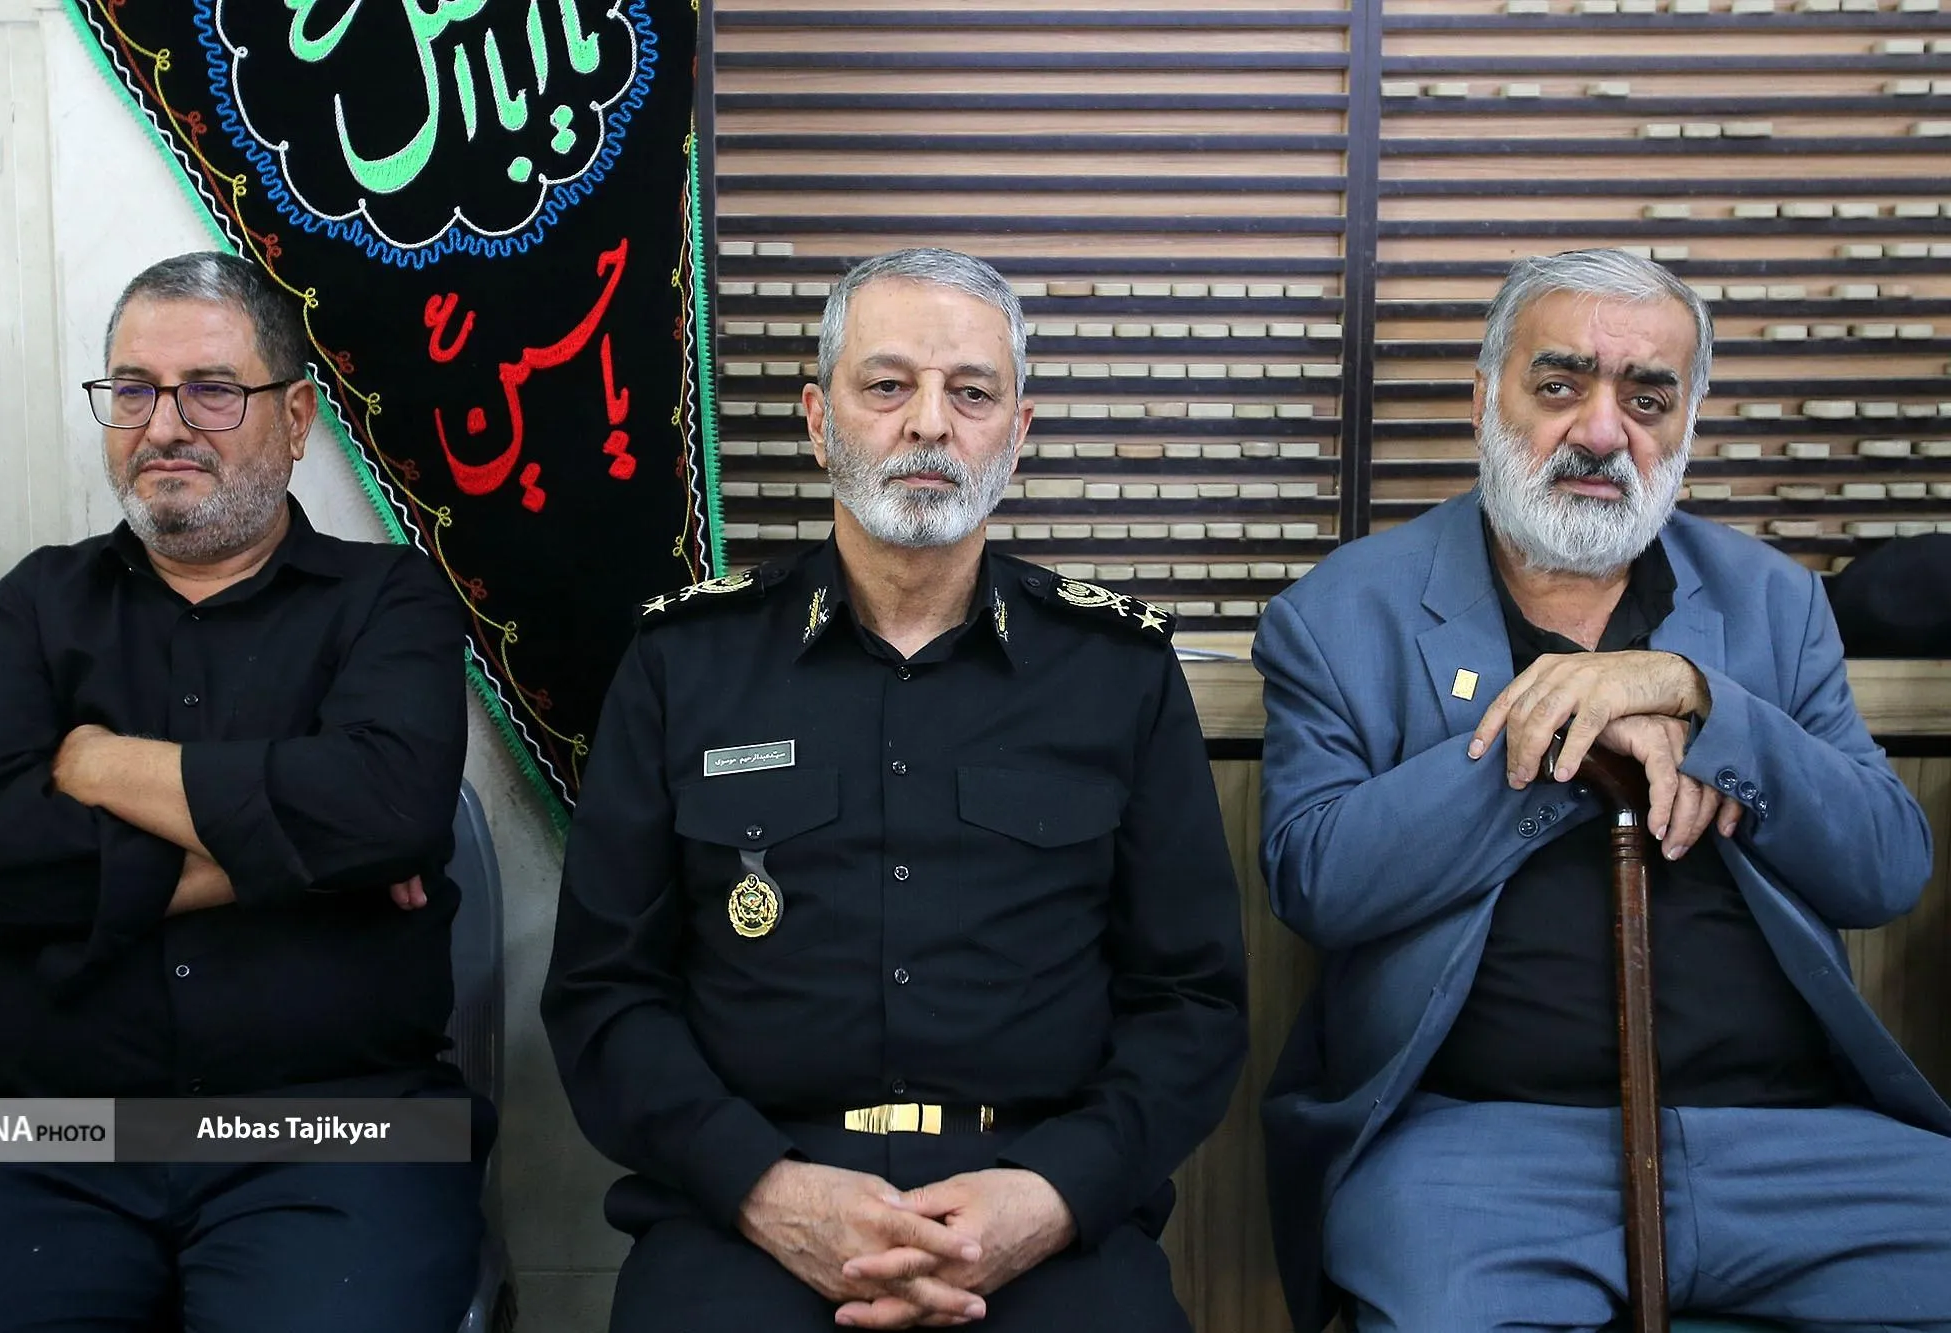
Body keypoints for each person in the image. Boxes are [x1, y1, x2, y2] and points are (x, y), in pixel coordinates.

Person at [543, 247, 1247, 1333]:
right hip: (751, 1211)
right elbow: (605, 993)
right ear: (818, 421)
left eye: (971, 392)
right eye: (886, 385)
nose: (929, 423)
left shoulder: (1116, 673)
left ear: (1017, 431)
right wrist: (763, 1189)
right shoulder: (686, 665)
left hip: (1036, 1208)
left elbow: (1191, 1001)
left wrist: (1053, 1195)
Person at [1255, 248, 1951, 1333]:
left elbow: (1884, 869)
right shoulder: (1344, 613)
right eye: (1558, 384)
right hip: (1481, 1152)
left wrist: (1698, 698)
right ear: (1482, 400)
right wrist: (1566, 729)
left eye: (1646, 398)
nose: (1600, 430)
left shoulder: (1773, 602)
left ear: (1685, 424)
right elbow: (1318, 881)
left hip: (1795, 1142)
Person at [0, 252, 483, 1332]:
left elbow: (389, 812)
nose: (163, 426)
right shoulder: (33, 607)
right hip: (47, 1139)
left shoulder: (391, 600)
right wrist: (290, 853)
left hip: (345, 1132)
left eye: (209, 390)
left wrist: (96, 764)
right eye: (133, 389)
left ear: (295, 418)